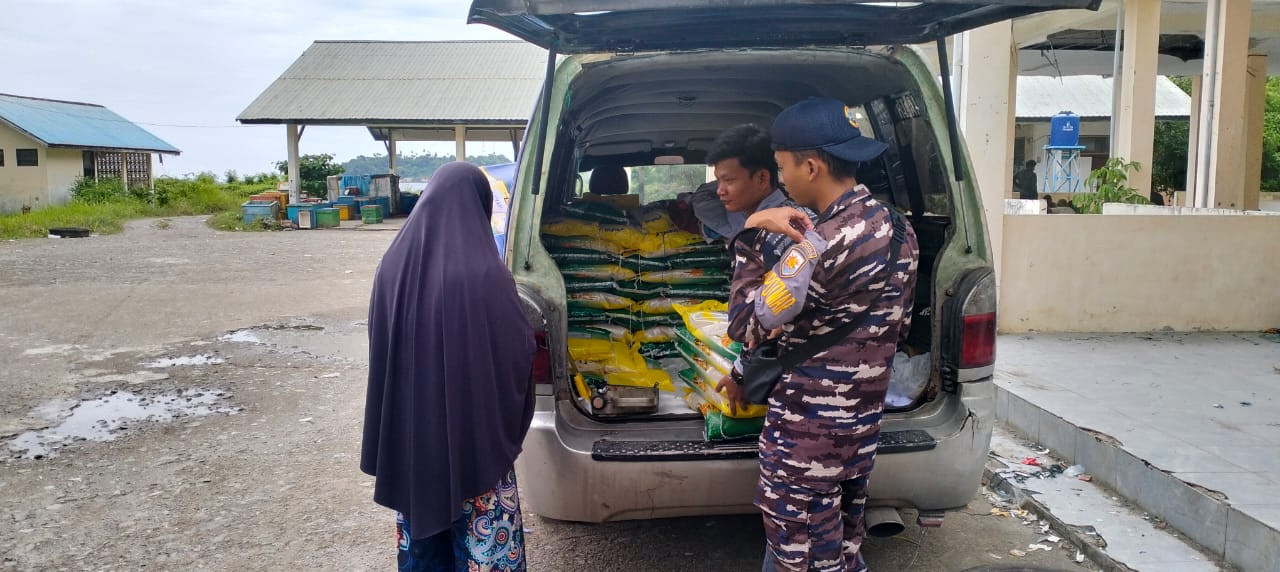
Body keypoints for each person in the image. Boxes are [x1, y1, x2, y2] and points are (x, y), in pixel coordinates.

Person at [719, 98, 919, 572]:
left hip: (806, 442)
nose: (782, 179)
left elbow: (746, 323)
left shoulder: (814, 245)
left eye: (783, 167)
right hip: (860, 430)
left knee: (802, 557)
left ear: (812, 166)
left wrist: (751, 234)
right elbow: (898, 326)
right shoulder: (898, 228)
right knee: (843, 550)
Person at [361, 161, 536, 571]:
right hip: (474, 444)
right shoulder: (485, 274)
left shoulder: (390, 267)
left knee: (422, 544)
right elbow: (518, 348)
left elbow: (381, 345)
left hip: (413, 443)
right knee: (484, 539)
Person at [686, 124, 812, 247]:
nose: (719, 191)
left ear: (762, 179)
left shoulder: (794, 228)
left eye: (728, 180)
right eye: (718, 180)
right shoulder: (746, 218)